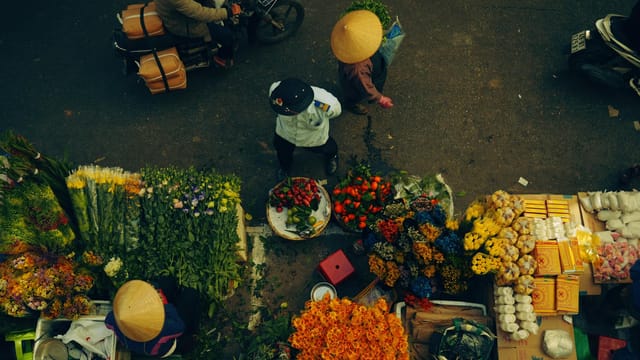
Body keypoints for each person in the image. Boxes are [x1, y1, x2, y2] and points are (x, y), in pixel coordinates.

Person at [105, 279, 200, 357]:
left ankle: (175, 295)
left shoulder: (119, 318)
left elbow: (108, 320)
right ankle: (191, 335)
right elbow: (180, 327)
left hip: (135, 342)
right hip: (164, 348)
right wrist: (166, 304)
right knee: (191, 294)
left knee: (167, 282)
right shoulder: (161, 329)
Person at [269, 78, 342, 179]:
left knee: (327, 148)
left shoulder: (325, 104)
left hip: (313, 138)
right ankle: (285, 168)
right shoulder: (276, 91)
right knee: (282, 151)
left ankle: (332, 157)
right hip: (285, 133)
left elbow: (336, 112)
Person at [331, 10, 394, 115]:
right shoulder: (358, 68)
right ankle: (351, 105)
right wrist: (380, 98)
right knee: (354, 95)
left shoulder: (344, 46)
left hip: (354, 75)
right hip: (354, 85)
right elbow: (366, 86)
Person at [155, 0, 242, 68]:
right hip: (186, 26)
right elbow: (201, 13)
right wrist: (228, 12)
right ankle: (222, 58)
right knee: (227, 36)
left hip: (179, 16)